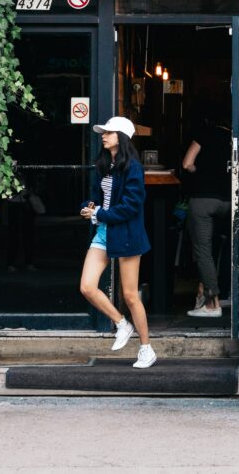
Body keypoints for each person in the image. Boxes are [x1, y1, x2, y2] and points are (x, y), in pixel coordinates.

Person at [78, 116, 156, 369]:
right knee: (87, 287)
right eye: (103, 132)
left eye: (109, 132)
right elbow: (94, 197)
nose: (103, 135)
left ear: (121, 137)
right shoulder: (103, 165)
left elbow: (131, 206)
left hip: (126, 234)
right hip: (103, 232)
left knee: (131, 295)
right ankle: (122, 323)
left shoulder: (133, 167)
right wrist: (87, 208)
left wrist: (99, 213)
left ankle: (146, 349)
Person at [182, 109, 232, 319]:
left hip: (204, 199)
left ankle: (212, 304)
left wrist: (199, 173)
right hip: (229, 201)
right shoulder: (234, 138)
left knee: (203, 251)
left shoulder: (204, 135)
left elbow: (187, 163)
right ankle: (225, 294)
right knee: (226, 248)